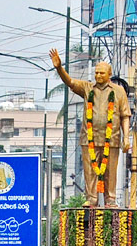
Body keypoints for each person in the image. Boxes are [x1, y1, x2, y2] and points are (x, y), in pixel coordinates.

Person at [50, 49, 131, 207]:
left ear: (109, 74)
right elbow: (71, 82)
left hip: (112, 139)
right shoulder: (87, 88)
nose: (99, 76)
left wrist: (126, 138)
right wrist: (59, 68)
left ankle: (110, 199)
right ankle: (92, 198)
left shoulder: (119, 92)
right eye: (97, 73)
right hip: (89, 139)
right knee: (90, 171)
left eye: (102, 73)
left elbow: (125, 116)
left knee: (110, 172)